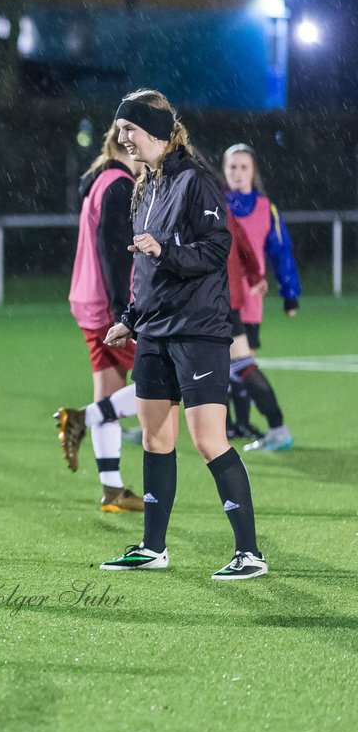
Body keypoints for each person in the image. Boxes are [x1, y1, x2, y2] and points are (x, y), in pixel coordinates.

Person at [99, 89, 267, 580]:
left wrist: (166, 248)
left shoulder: (196, 181)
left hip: (198, 329)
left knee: (209, 440)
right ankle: (153, 548)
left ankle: (249, 553)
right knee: (154, 437)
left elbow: (216, 250)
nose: (122, 138)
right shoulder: (145, 186)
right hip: (154, 330)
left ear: (154, 129)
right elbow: (146, 272)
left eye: (129, 129)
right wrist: (130, 316)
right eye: (121, 130)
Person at [54, 121, 146, 513]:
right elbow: (115, 254)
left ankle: (112, 489)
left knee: (110, 393)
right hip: (110, 306)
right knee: (170, 384)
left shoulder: (99, 179)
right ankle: (80, 418)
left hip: (88, 301)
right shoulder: (119, 184)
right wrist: (124, 314)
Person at [223, 143, 300, 452]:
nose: (238, 174)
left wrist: (289, 292)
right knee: (234, 365)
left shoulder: (264, 207)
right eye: (232, 167)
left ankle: (257, 425)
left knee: (239, 365)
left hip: (242, 297)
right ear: (224, 171)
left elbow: (281, 251)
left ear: (253, 172)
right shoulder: (218, 204)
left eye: (244, 167)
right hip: (224, 296)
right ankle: (229, 426)